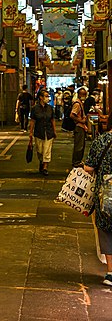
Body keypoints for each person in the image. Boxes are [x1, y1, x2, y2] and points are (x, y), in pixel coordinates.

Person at [84, 113, 112, 285]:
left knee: (107, 229)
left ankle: (110, 272)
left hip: (105, 193)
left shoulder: (101, 141)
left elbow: (88, 167)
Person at [28, 89, 56, 176]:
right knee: (40, 150)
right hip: (38, 132)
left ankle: (45, 167)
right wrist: (31, 132)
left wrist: (54, 131)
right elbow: (32, 121)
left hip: (48, 132)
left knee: (47, 150)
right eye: (46, 96)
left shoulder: (50, 108)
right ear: (41, 97)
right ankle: (41, 161)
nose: (48, 98)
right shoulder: (34, 109)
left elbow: (52, 120)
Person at [71, 87, 88, 167]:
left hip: (81, 126)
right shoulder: (77, 104)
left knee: (81, 145)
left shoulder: (80, 102)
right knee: (79, 145)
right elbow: (72, 115)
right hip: (79, 126)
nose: (84, 96)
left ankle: (78, 160)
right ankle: (76, 161)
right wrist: (81, 121)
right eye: (83, 94)